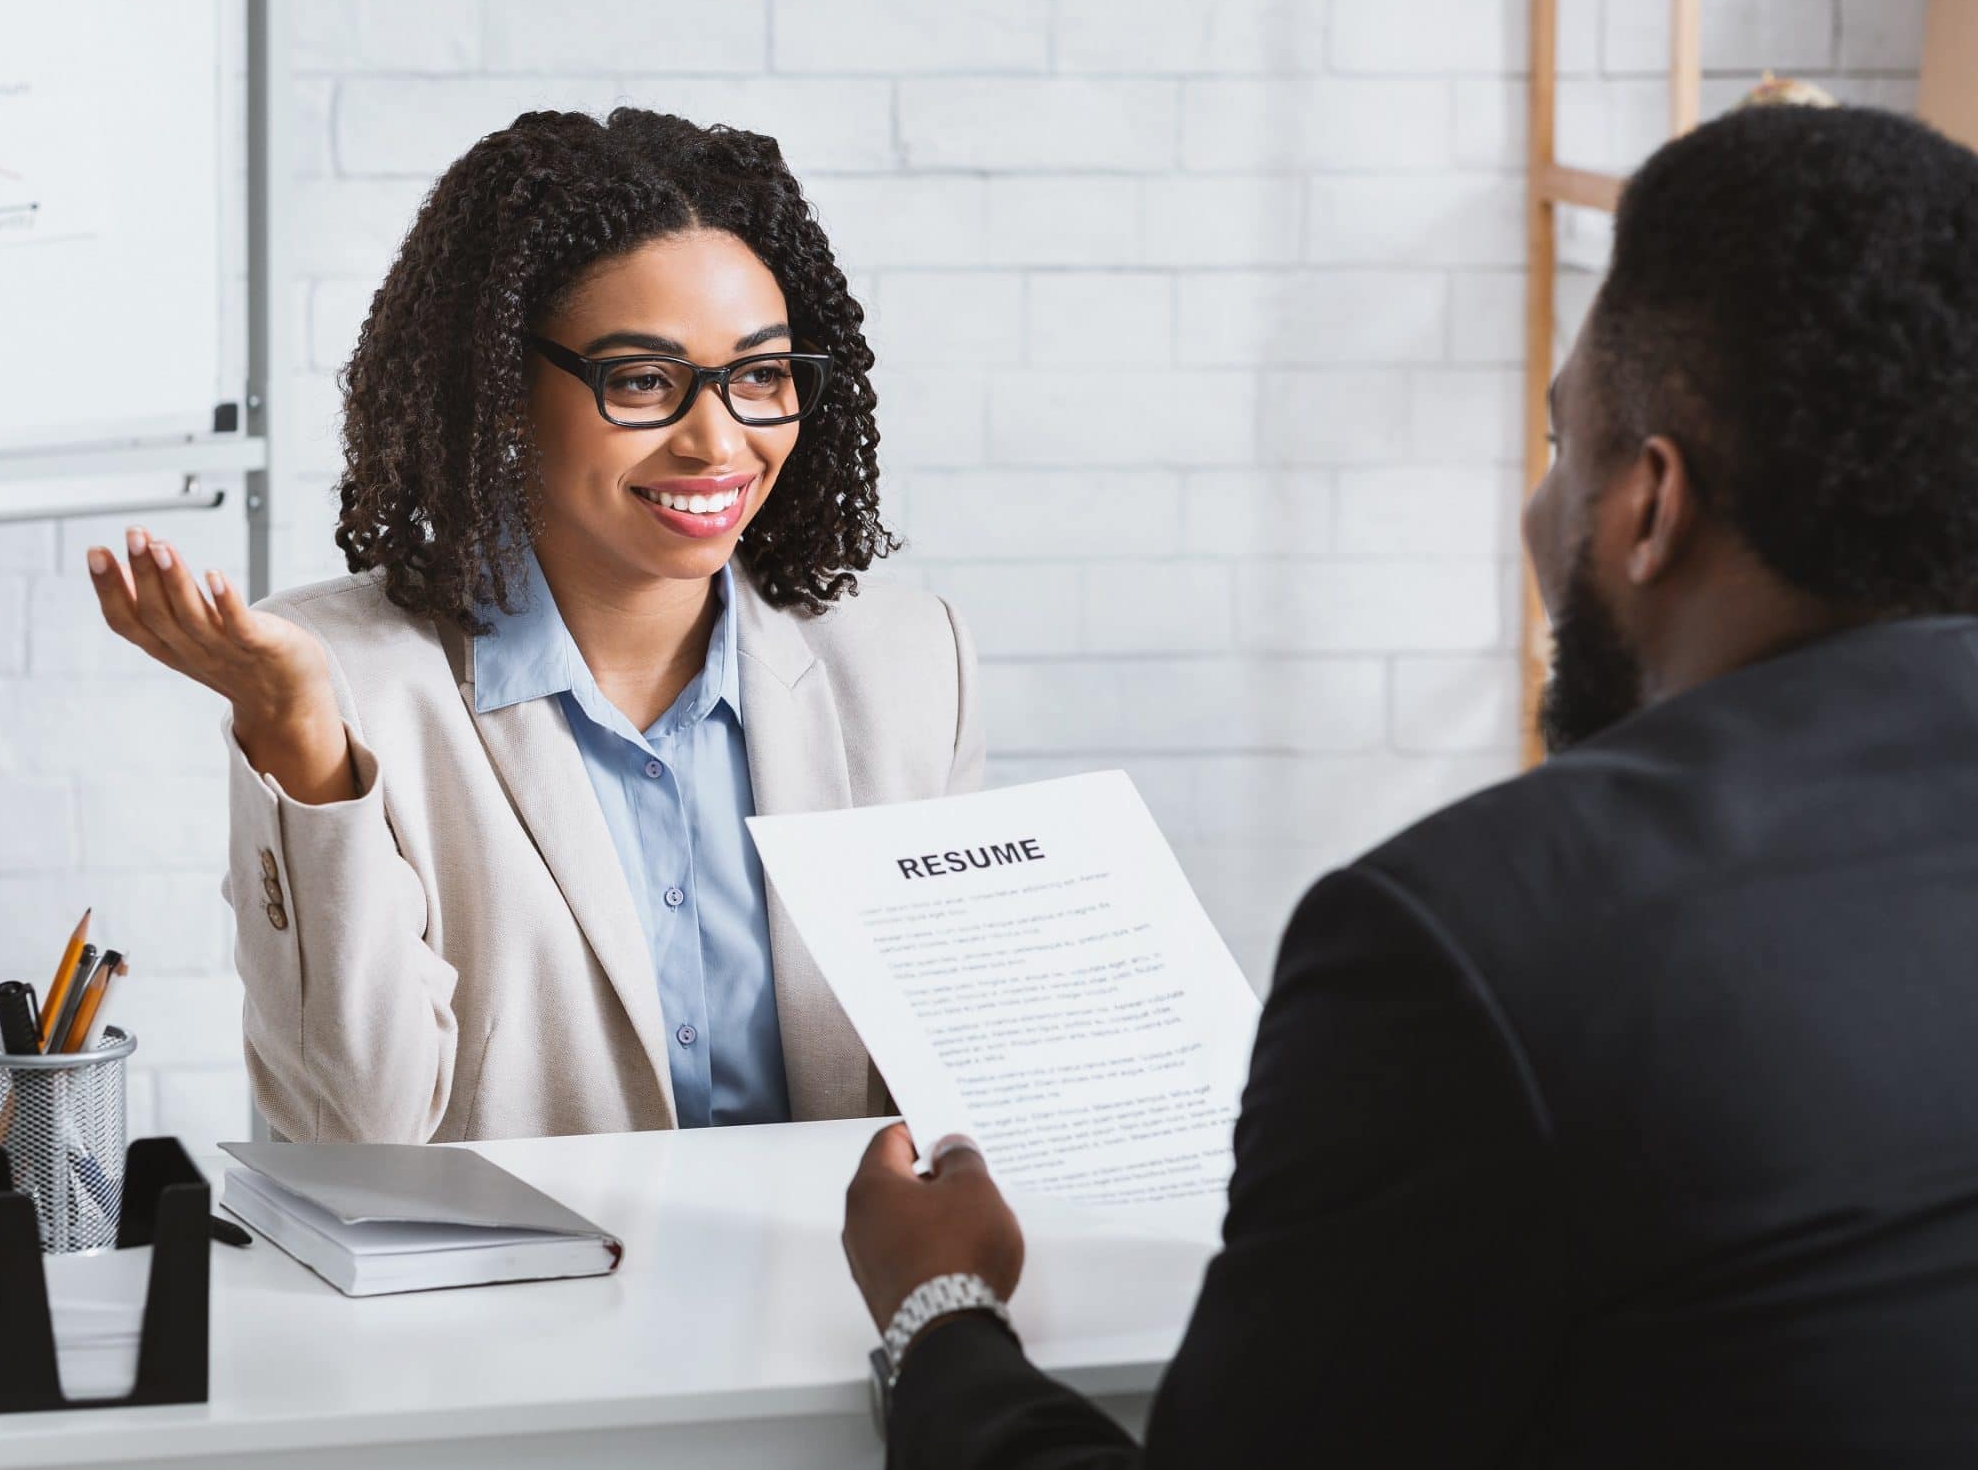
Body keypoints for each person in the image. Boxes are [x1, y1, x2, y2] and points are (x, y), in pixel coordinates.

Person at [839, 104, 1978, 1466]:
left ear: (1650, 506)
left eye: (1562, 451)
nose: (1539, 514)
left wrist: (938, 1310)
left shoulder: (1467, 947)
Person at [87, 109, 982, 1143]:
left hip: (834, 1250)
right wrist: (297, 739)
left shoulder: (912, 663)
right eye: (642, 380)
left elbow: (961, 1085)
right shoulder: (348, 683)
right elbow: (357, 1132)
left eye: (761, 375)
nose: (717, 440)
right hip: (523, 1260)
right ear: (502, 390)